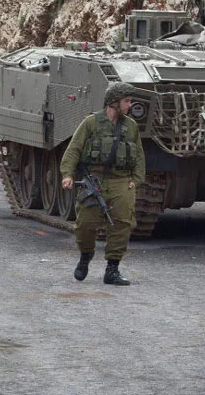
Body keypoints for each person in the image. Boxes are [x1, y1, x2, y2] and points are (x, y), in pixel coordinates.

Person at [59, 82, 145, 286]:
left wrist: (136, 180)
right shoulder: (91, 123)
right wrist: (67, 174)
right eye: (126, 101)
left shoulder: (130, 126)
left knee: (122, 224)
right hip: (94, 180)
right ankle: (86, 255)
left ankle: (112, 268)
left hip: (121, 181)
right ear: (114, 102)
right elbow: (74, 149)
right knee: (85, 225)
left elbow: (139, 156)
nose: (130, 105)